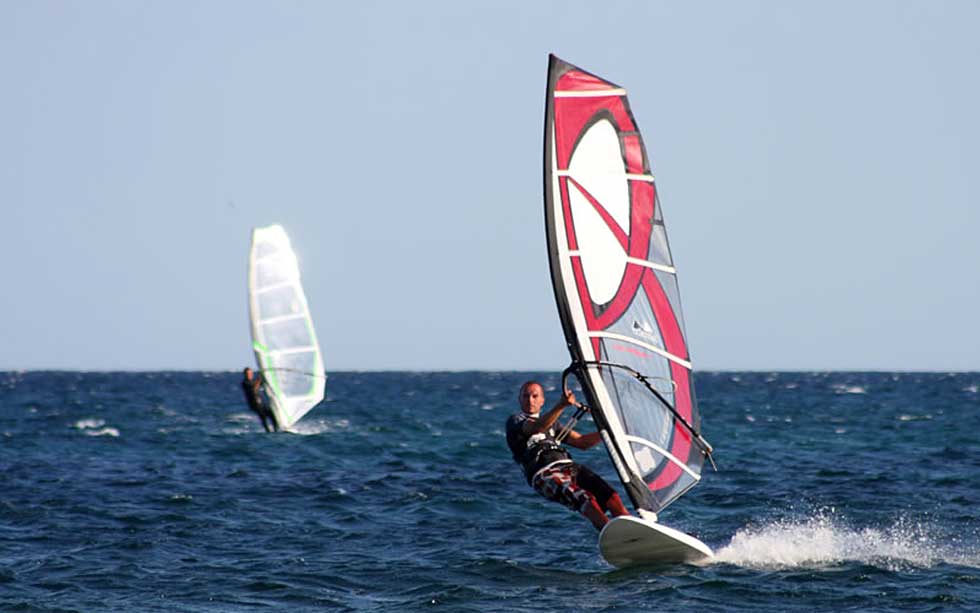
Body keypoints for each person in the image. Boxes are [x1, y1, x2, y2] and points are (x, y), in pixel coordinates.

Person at [505, 380, 631, 530]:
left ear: (542, 400)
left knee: (611, 496)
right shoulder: (515, 421)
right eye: (525, 396)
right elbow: (537, 428)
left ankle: (636, 531)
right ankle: (613, 534)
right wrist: (561, 405)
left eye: (534, 396)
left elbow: (582, 442)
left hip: (568, 466)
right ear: (519, 399)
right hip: (543, 474)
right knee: (584, 499)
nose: (530, 400)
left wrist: (609, 431)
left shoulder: (553, 424)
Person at [241, 367, 279, 433]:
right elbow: (254, 389)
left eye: (250, 373)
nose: (249, 375)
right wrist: (259, 379)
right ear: (244, 374)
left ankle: (275, 430)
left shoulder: (253, 381)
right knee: (263, 416)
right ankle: (268, 431)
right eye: (247, 374)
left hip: (260, 402)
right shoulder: (245, 383)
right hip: (254, 404)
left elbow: (261, 383)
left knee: (272, 415)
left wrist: (264, 377)